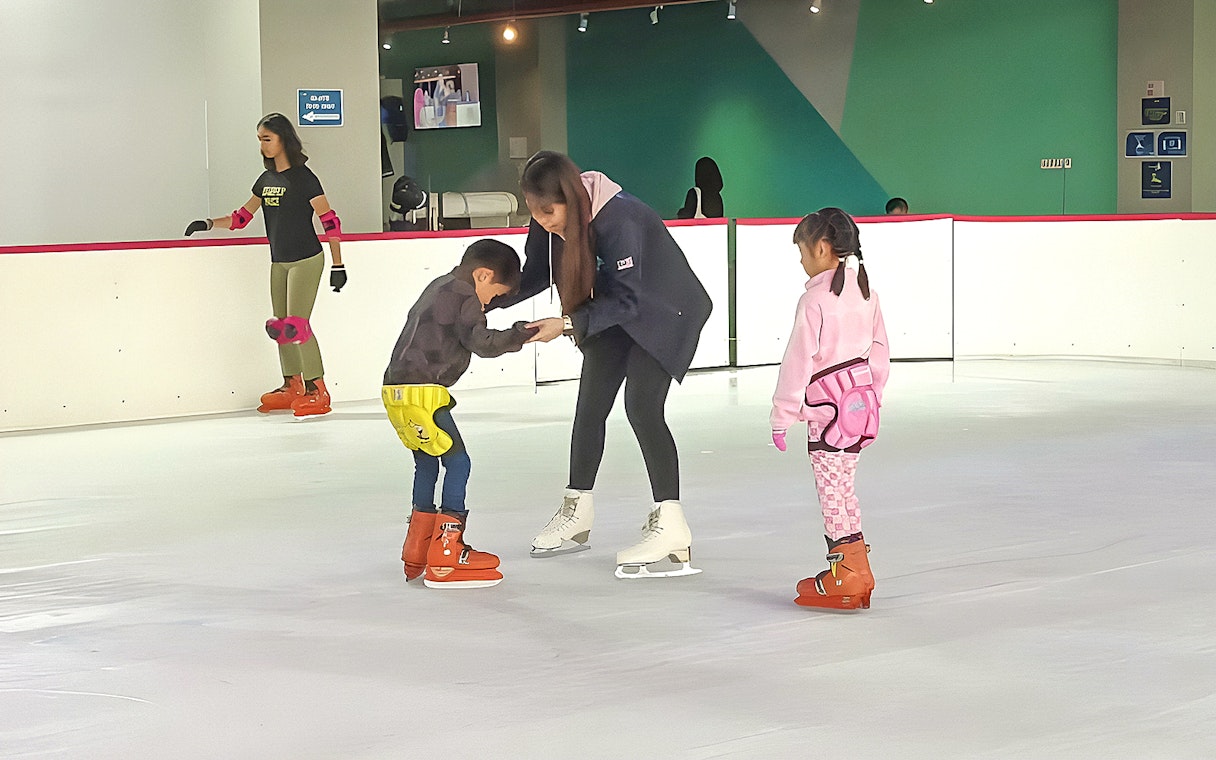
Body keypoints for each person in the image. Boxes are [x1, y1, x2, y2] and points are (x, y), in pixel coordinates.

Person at [487, 150, 713, 579]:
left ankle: (671, 526)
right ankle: (577, 514)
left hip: (665, 310)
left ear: (571, 199)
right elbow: (536, 275)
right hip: (609, 309)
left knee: (642, 407)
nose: (542, 221)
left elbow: (630, 299)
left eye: (548, 211)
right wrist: (482, 301)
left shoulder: (619, 218)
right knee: (590, 405)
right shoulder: (548, 225)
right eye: (533, 212)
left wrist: (568, 323)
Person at [383, 239, 538, 589]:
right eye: (493, 294)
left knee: (426, 461)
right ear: (482, 275)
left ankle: (417, 549)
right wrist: (521, 335)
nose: (490, 303)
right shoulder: (467, 297)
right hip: (424, 391)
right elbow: (480, 341)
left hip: (395, 391)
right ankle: (448, 552)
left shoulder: (438, 286)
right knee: (458, 462)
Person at [185, 112, 346, 417]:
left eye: (267, 139)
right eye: (260, 140)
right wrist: (208, 223)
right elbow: (241, 218)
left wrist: (338, 265)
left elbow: (329, 220)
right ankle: (292, 385)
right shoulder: (265, 181)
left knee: (298, 326)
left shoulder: (305, 178)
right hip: (280, 261)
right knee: (281, 327)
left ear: (284, 139)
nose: (263, 146)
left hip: (306, 259)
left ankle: (318, 391)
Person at [770, 207, 890, 610]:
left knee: (830, 492)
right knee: (845, 489)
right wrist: (872, 400)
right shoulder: (867, 293)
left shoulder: (815, 299)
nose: (802, 262)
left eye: (802, 252)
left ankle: (846, 573)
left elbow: (798, 360)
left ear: (822, 248)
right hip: (858, 408)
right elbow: (880, 355)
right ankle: (857, 567)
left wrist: (783, 413)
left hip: (826, 412)